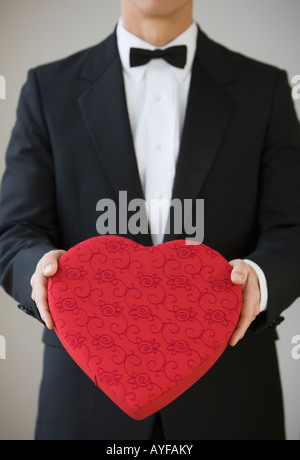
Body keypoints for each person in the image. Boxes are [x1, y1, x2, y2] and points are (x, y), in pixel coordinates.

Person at [0, 0, 300, 440]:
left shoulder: (265, 88)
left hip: (231, 400)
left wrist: (259, 279)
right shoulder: (47, 88)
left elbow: (292, 226)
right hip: (85, 401)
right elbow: (13, 229)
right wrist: (42, 271)